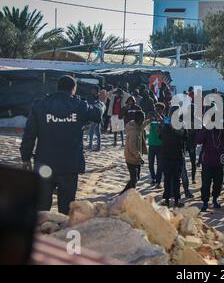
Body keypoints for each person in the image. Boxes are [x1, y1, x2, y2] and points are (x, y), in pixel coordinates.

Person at [20, 75, 105, 214]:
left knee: (42, 209)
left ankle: (43, 233)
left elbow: (29, 135)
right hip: (69, 166)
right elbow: (96, 115)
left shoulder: (40, 105)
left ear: (57, 87)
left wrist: (25, 157)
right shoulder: (79, 105)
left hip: (44, 165)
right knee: (66, 210)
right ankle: (63, 234)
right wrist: (101, 103)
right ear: (74, 89)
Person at [196, 124, 224, 212]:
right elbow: (198, 140)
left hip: (219, 161)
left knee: (218, 182)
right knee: (206, 183)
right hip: (207, 161)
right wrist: (205, 128)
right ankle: (205, 202)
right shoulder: (206, 128)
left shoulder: (222, 127)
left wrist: (223, 128)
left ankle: (215, 199)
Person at [160, 107, 185, 208]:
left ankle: (176, 200)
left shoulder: (180, 124)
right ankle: (167, 200)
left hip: (176, 154)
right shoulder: (166, 124)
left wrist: (173, 127)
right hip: (168, 155)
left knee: (175, 179)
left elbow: (184, 135)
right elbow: (160, 136)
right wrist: (161, 126)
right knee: (168, 178)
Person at [120, 111, 150, 194]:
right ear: (139, 120)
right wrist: (139, 157)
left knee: (135, 178)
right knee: (134, 180)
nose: (143, 121)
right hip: (131, 158)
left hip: (135, 157)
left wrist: (150, 120)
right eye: (143, 119)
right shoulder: (133, 131)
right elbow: (132, 147)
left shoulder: (137, 126)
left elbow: (143, 125)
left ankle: (124, 193)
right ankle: (127, 195)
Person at [148, 102, 165, 188]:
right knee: (150, 163)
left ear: (162, 110)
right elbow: (146, 128)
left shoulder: (165, 119)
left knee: (160, 164)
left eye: (158, 109)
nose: (156, 110)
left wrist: (161, 120)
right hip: (151, 143)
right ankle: (153, 179)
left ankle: (158, 181)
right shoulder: (152, 118)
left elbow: (165, 129)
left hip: (160, 144)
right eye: (156, 109)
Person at [87, 86, 102, 151]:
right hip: (96, 116)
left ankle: (90, 146)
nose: (91, 91)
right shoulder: (94, 96)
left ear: (96, 90)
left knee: (91, 132)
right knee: (97, 132)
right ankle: (98, 146)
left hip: (95, 116)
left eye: (93, 89)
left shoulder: (97, 97)